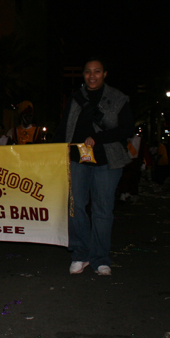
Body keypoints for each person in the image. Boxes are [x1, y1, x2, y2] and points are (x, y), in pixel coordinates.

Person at [54, 58, 134, 276]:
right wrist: (48, 151)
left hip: (107, 162)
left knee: (102, 210)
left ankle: (100, 258)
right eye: (88, 72)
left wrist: (99, 138)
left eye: (97, 71)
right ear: (83, 74)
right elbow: (63, 128)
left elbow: (127, 129)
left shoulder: (118, 98)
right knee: (76, 207)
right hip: (77, 161)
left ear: (105, 74)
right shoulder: (75, 98)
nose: (92, 76)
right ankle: (80, 253)